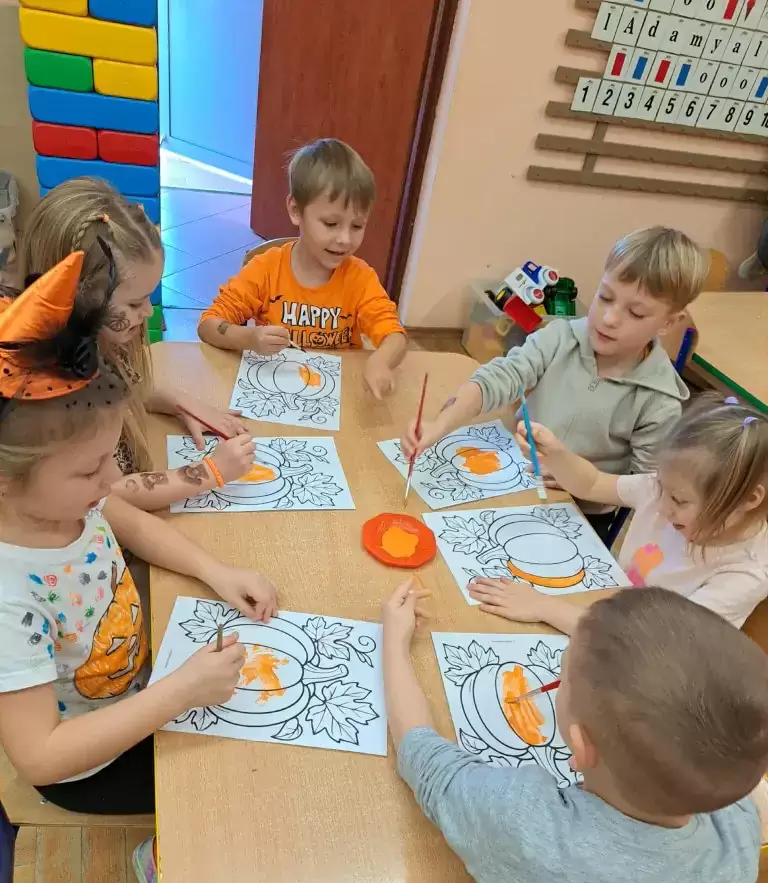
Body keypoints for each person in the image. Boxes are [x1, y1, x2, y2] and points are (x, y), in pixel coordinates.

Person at [0, 252, 278, 883]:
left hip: (140, 683)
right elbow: (40, 757)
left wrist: (214, 570)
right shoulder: (9, 596)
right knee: (243, 781)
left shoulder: (72, 502)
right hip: (90, 764)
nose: (110, 481)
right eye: (91, 469)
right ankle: (163, 866)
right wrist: (177, 694)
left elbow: (128, 519)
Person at [381, 577, 768, 883]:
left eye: (563, 677)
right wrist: (547, 608)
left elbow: (422, 755)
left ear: (580, 747)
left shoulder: (531, 825)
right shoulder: (740, 828)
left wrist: (393, 640)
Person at [401, 227, 708, 541]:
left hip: (580, 512)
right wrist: (440, 424)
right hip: (511, 477)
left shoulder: (660, 401)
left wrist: (582, 480)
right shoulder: (560, 337)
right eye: (605, 297)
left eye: (635, 313)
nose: (609, 318)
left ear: (669, 322)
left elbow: (647, 488)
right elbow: (497, 378)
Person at [13, 177, 256, 512]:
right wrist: (209, 471)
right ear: (76, 298)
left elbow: (133, 388)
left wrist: (180, 402)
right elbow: (108, 495)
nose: (149, 312)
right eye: (134, 302)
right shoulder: (57, 392)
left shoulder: (103, 341)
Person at [472, 393, 768, 632]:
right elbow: (594, 483)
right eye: (661, 486)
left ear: (748, 500)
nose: (661, 505)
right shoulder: (667, 489)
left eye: (678, 500)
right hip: (606, 613)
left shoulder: (744, 574)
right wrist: (558, 456)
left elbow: (649, 641)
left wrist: (544, 607)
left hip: (641, 654)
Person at [198, 138, 407, 399]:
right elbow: (208, 325)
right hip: (275, 390)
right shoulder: (265, 269)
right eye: (331, 224)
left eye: (357, 226)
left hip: (335, 395)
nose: (345, 239)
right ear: (296, 210)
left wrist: (380, 361)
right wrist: (249, 338)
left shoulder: (360, 278)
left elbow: (395, 337)